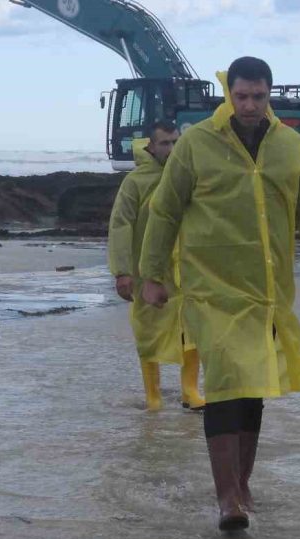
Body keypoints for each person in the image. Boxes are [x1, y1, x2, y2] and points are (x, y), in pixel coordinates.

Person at [139, 56, 300, 532]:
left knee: (253, 389)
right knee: (225, 386)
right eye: (242, 96)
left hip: (266, 290)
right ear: (228, 94)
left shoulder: (289, 146)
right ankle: (227, 496)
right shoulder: (197, 145)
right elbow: (165, 211)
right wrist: (152, 274)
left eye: (259, 96)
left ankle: (243, 483)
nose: (250, 105)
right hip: (210, 287)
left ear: (269, 95)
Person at [108, 122, 204, 412]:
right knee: (148, 330)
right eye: (165, 143)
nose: (172, 149)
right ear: (150, 146)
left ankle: (190, 391)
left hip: (186, 270)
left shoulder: (188, 177)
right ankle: (153, 396)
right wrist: (122, 271)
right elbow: (121, 226)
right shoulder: (135, 182)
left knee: (192, 328)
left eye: (176, 142)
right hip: (146, 272)